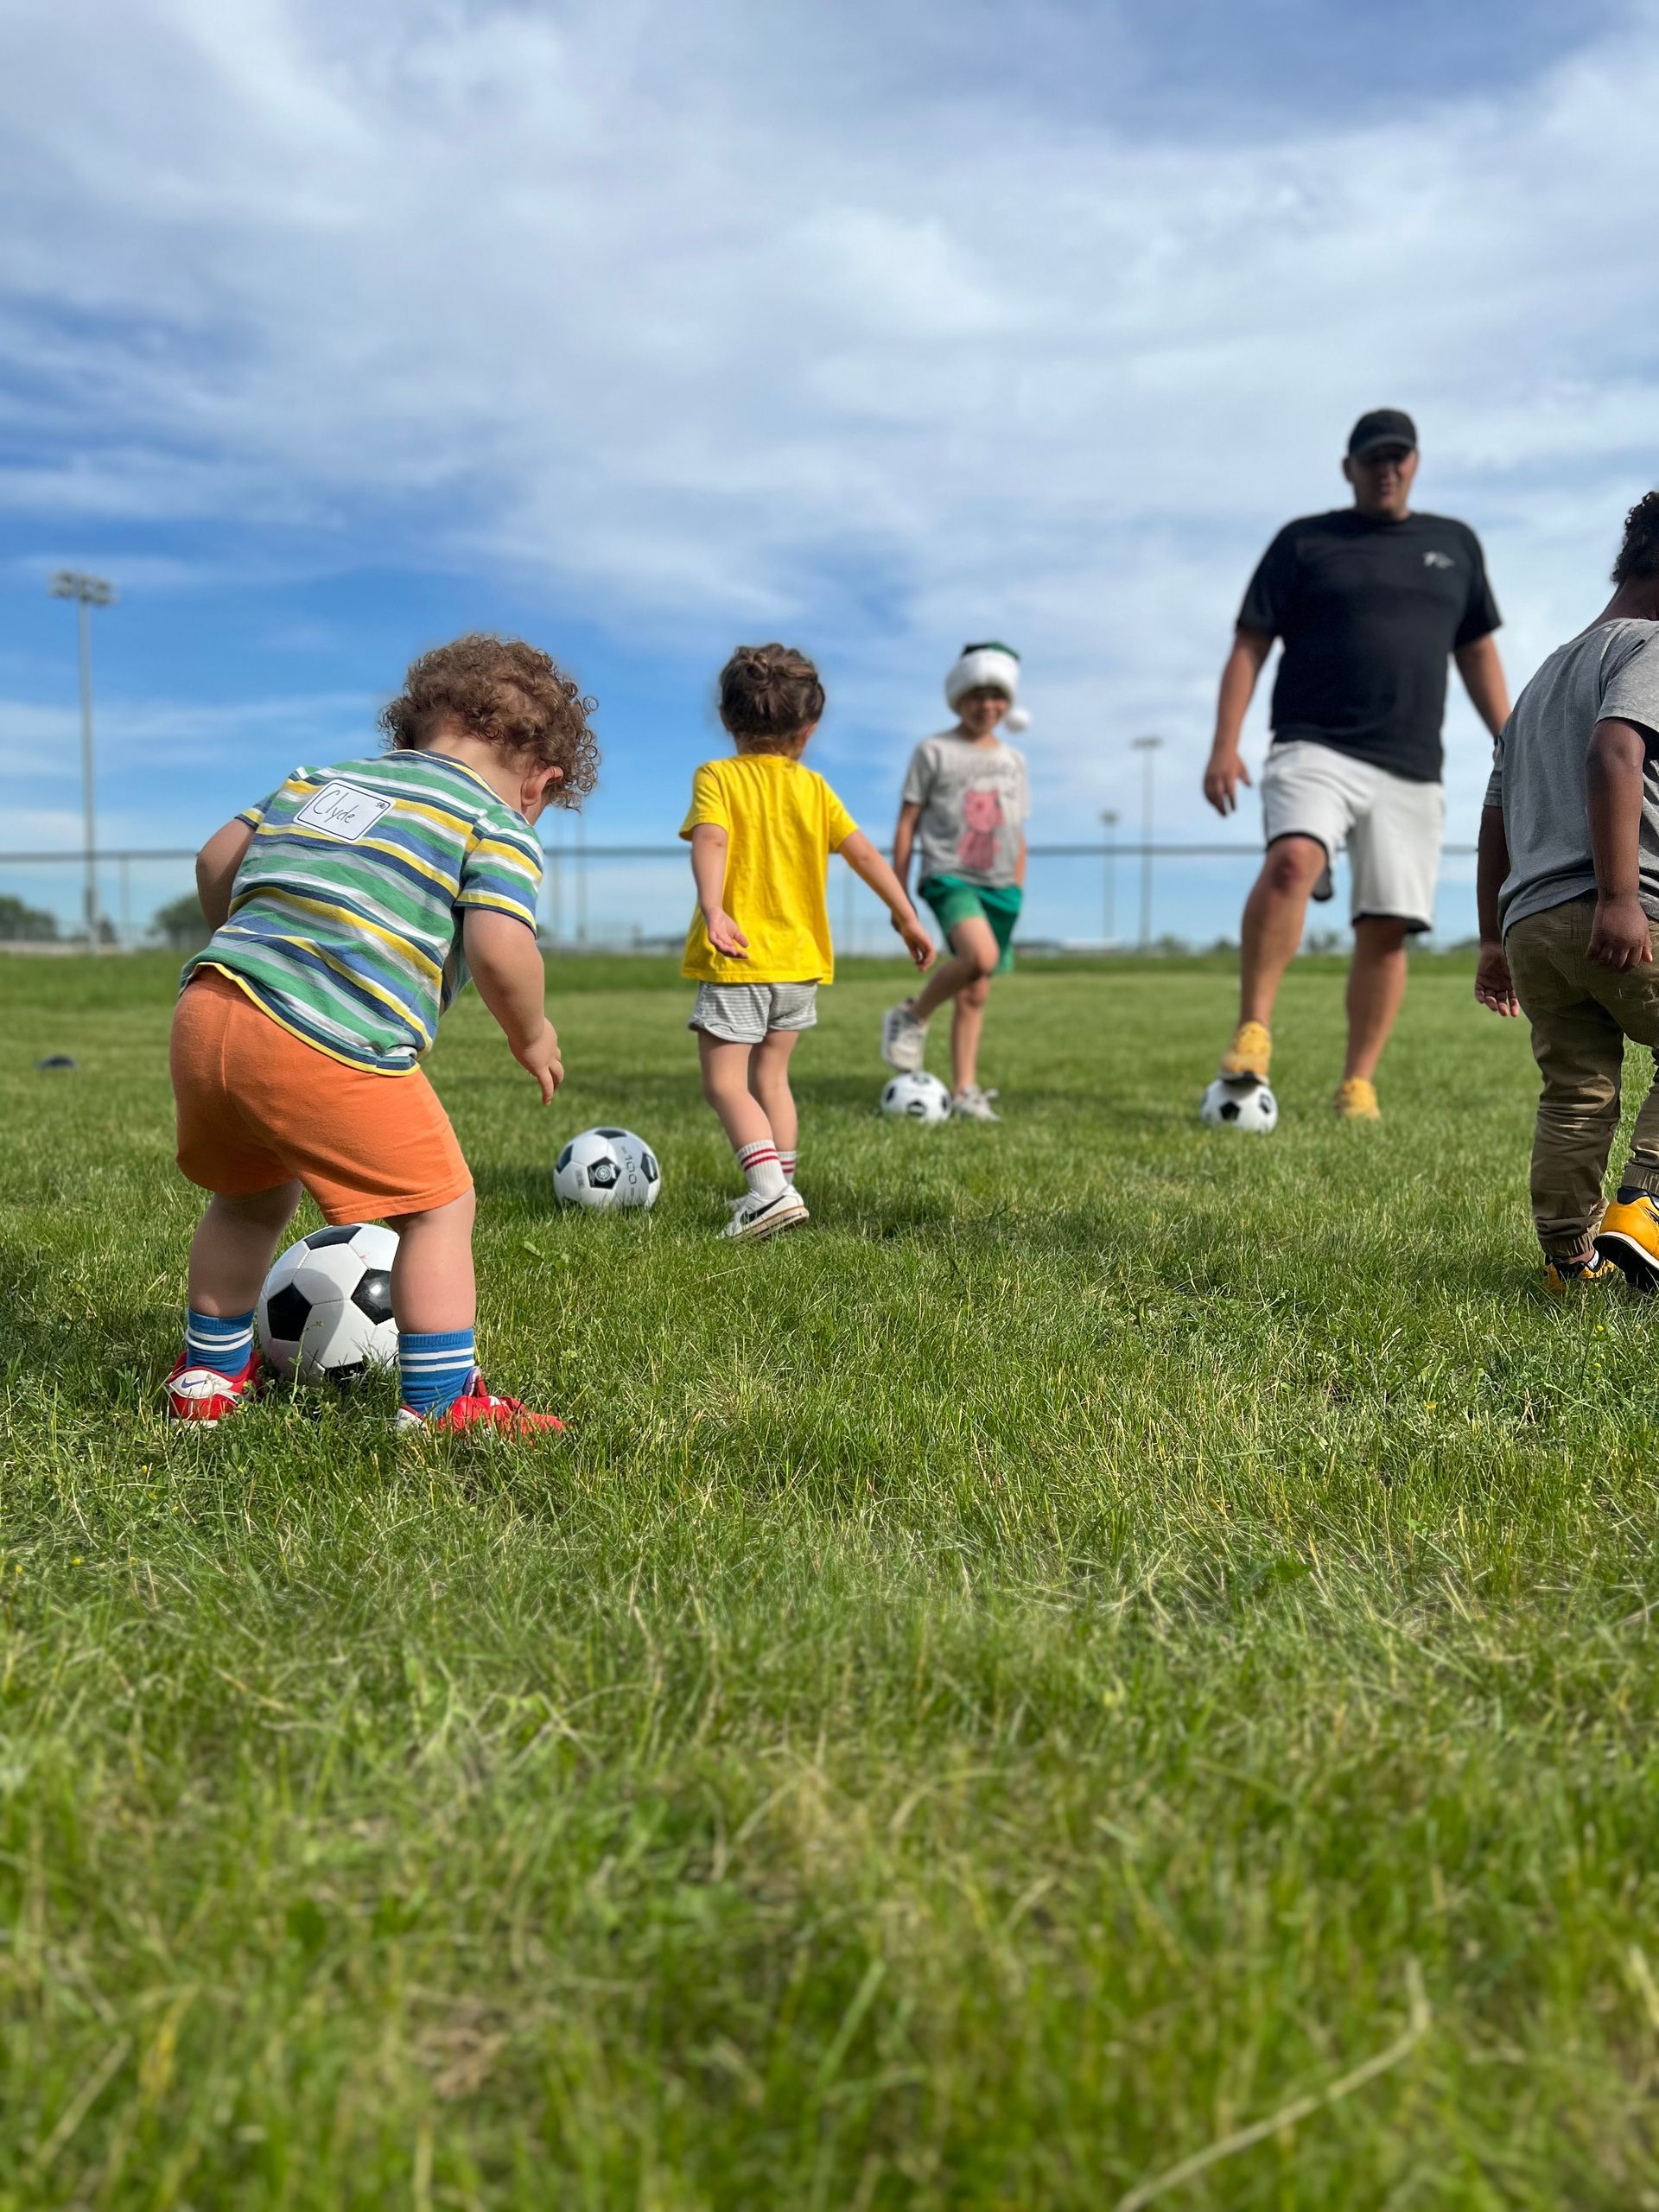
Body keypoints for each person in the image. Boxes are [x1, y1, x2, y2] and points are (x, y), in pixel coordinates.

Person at [166, 634, 592, 1432]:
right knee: (439, 1207)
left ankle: (207, 1380)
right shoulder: (494, 819)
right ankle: (439, 1405)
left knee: (249, 1200)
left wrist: (259, 947)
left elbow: (216, 854)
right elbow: (501, 946)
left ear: (412, 729)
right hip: (327, 1037)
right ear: (542, 782)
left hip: (208, 1010)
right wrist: (531, 1034)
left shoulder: (319, 780)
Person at [1203, 410, 1510, 1118]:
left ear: (1416, 463)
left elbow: (1477, 652)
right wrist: (1225, 742)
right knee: (1293, 862)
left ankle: (1357, 1082)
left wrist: (1511, 736)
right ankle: (1254, 1028)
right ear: (1349, 468)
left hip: (1410, 764)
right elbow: (1249, 644)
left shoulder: (1454, 545)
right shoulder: (1304, 542)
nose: (1387, 468)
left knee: (1386, 924)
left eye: (1399, 456)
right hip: (1313, 743)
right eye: (1373, 457)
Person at [683, 644, 934, 1240]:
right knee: (772, 1078)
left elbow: (712, 840)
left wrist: (715, 908)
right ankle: (782, 1186)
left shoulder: (718, 776)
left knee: (724, 1082)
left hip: (738, 958)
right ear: (809, 729)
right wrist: (906, 916)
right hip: (798, 964)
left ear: (726, 718)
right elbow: (865, 854)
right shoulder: (815, 790)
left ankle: (769, 1192)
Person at [1476, 492, 1659, 1292]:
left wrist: (1492, 938)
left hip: (1534, 924)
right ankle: (1647, 1204)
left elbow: (1494, 816)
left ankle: (1567, 1261)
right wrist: (1621, 896)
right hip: (1620, 907)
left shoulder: (1545, 676)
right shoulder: (1652, 645)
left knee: (1577, 1089)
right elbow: (1614, 753)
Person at [879, 642, 1031, 1121]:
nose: (987, 705)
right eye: (977, 695)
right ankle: (913, 1015)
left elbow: (1017, 827)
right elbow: (907, 823)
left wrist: (1018, 887)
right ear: (959, 696)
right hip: (949, 875)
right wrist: (898, 890)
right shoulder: (933, 751)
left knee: (977, 987)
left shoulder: (1014, 760)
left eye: (997, 696)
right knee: (979, 956)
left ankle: (965, 1089)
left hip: (1002, 885)